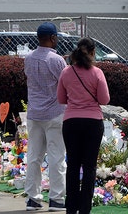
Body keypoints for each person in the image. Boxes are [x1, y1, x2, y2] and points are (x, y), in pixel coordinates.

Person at [57, 38, 110, 214]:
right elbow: (104, 100)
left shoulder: (66, 72)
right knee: (89, 167)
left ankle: (71, 207)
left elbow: (61, 99)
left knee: (72, 165)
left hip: (71, 121)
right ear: (93, 52)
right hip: (93, 122)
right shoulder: (97, 73)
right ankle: (85, 208)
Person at [23, 22, 67, 212]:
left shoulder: (28, 58)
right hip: (55, 113)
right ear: (53, 38)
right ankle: (56, 199)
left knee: (34, 156)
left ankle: (33, 199)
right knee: (56, 156)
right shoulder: (57, 60)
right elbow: (65, 84)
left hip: (34, 113)